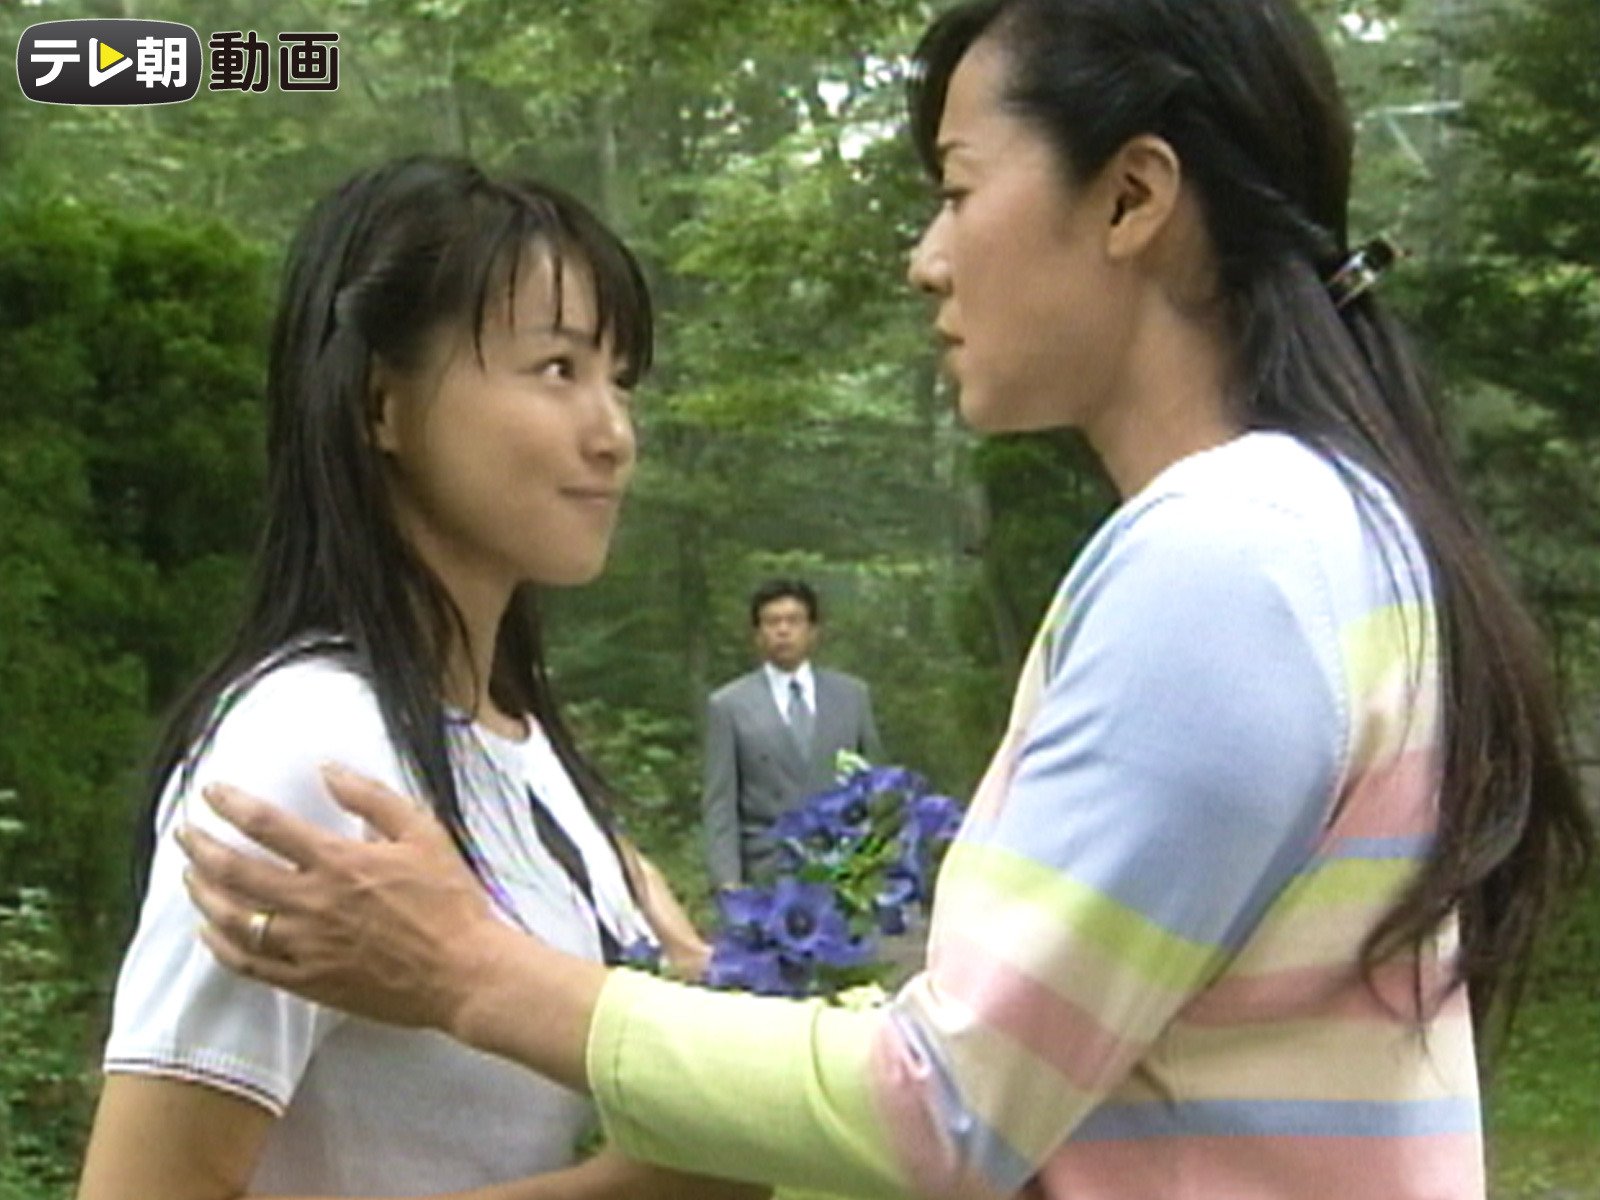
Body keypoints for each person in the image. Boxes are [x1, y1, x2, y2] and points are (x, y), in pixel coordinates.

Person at [179, 3, 1595, 1198]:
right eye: (556, 369)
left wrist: (474, 972)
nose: (927, 255)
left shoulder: (1229, 563)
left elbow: (950, 1106)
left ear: (1130, 198)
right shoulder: (1332, 529)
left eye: (960, 190)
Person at [76, 155, 752, 1200]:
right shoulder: (309, 752)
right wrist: (635, 1189)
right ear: (380, 406)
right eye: (557, 368)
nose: (614, 435)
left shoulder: (515, 747)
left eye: (620, 380)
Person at [703, 578, 884, 889]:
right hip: (767, 874)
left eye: (793, 621)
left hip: (842, 872)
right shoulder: (729, 705)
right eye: (772, 622)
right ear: (757, 635)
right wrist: (727, 883)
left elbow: (877, 787)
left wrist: (878, 864)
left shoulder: (852, 696)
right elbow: (721, 804)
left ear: (813, 631)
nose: (783, 631)